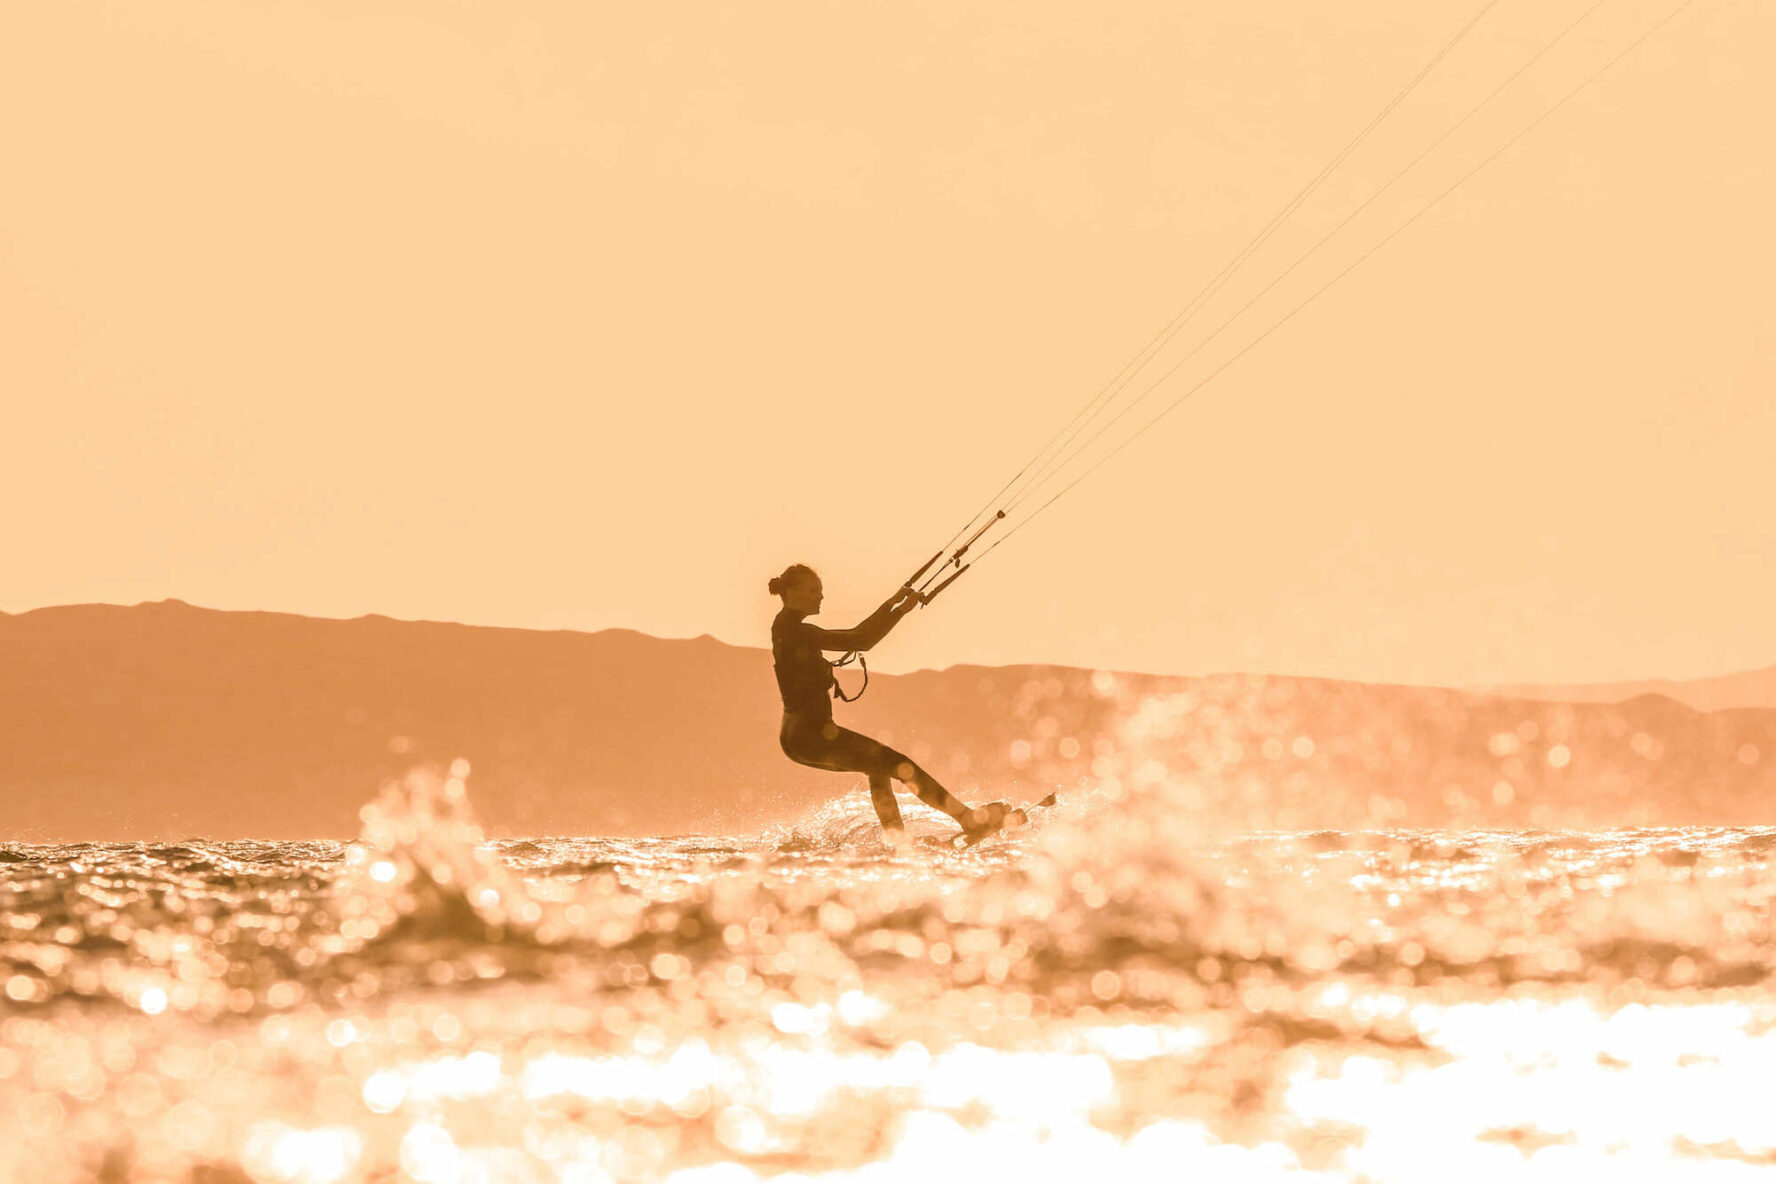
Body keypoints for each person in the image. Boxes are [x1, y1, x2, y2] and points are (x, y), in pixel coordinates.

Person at [768, 563, 1006, 842]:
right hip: (810, 735)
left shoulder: (785, 626)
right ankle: (967, 819)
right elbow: (861, 640)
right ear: (792, 592)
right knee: (900, 765)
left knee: (878, 766)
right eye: (813, 591)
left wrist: (891, 604)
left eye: (819, 590)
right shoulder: (797, 631)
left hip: (796, 735)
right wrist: (901, 612)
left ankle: (898, 840)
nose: (820, 596)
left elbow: (856, 634)